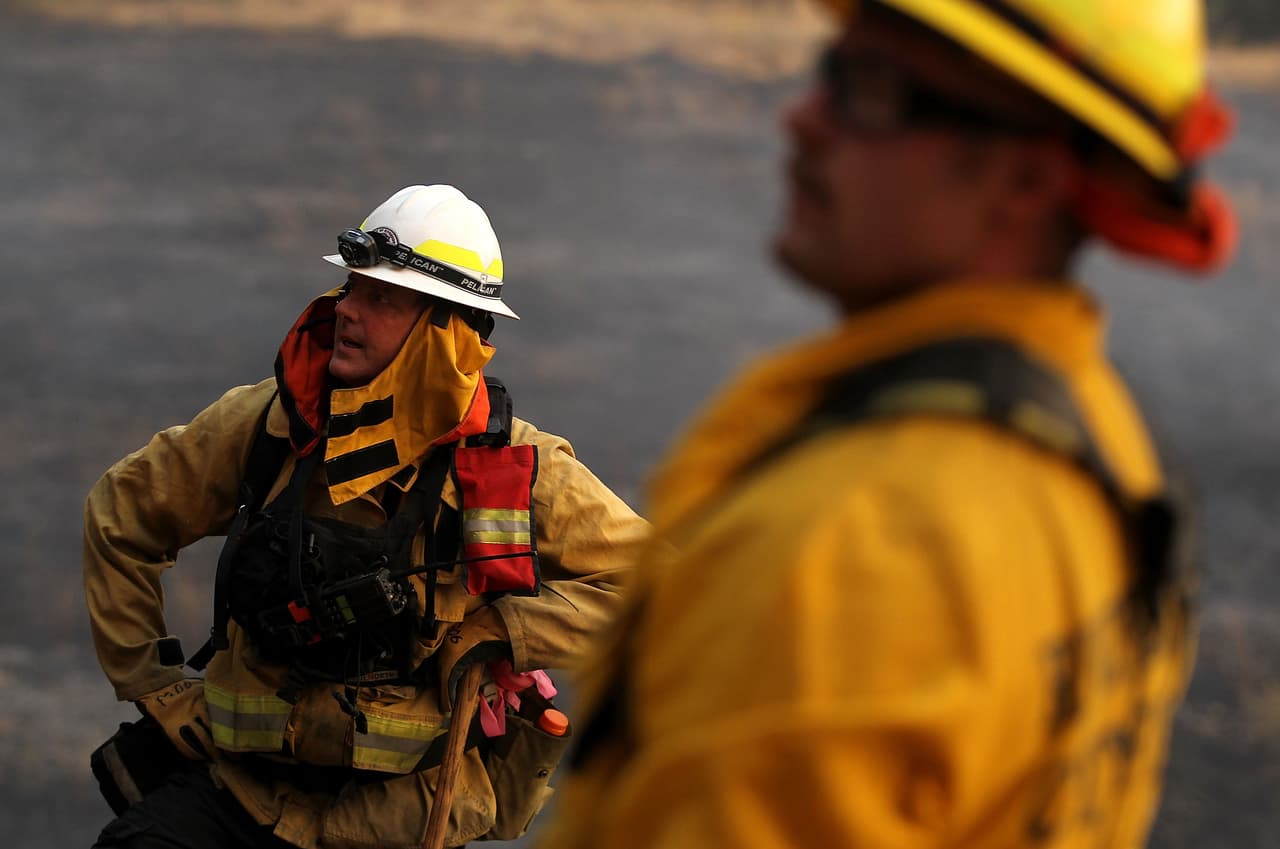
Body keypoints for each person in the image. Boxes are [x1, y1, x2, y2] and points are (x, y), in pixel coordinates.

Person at [540, 1, 1236, 847]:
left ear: (1027, 180)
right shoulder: (1106, 440)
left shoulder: (848, 552)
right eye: (831, 71)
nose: (803, 117)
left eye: (869, 90)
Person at [83, 184, 650, 849]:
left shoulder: (516, 467)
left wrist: (503, 629)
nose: (346, 310)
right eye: (353, 287)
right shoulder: (271, 426)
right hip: (241, 795)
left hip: (398, 824)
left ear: (445, 331)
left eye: (381, 298)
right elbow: (122, 513)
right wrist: (152, 682)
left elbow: (663, 584)